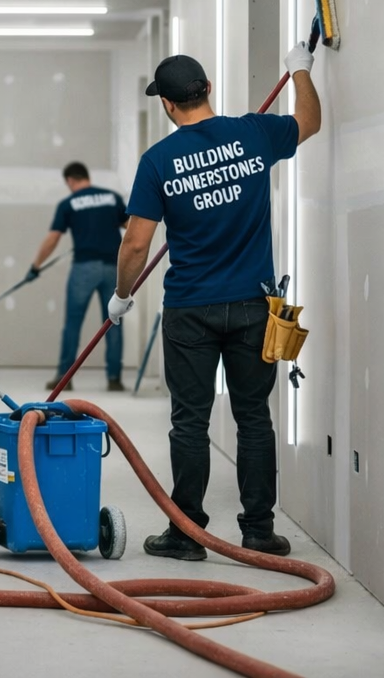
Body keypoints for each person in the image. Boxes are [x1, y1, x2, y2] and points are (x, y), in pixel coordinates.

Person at [106, 45, 320, 560]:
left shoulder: (158, 161)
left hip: (190, 309)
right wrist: (300, 72)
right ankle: (259, 531)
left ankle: (187, 534)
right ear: (207, 90)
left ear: (169, 106)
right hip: (252, 305)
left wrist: (121, 295)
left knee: (189, 422)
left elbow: (136, 244)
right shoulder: (253, 132)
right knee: (254, 418)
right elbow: (309, 121)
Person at [26, 162, 129, 391]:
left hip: (84, 268)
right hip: (113, 267)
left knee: (73, 323)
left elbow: (53, 238)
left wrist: (35, 266)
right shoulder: (112, 198)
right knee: (113, 323)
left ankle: (65, 377)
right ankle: (114, 379)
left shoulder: (68, 203)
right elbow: (131, 227)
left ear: (71, 181)